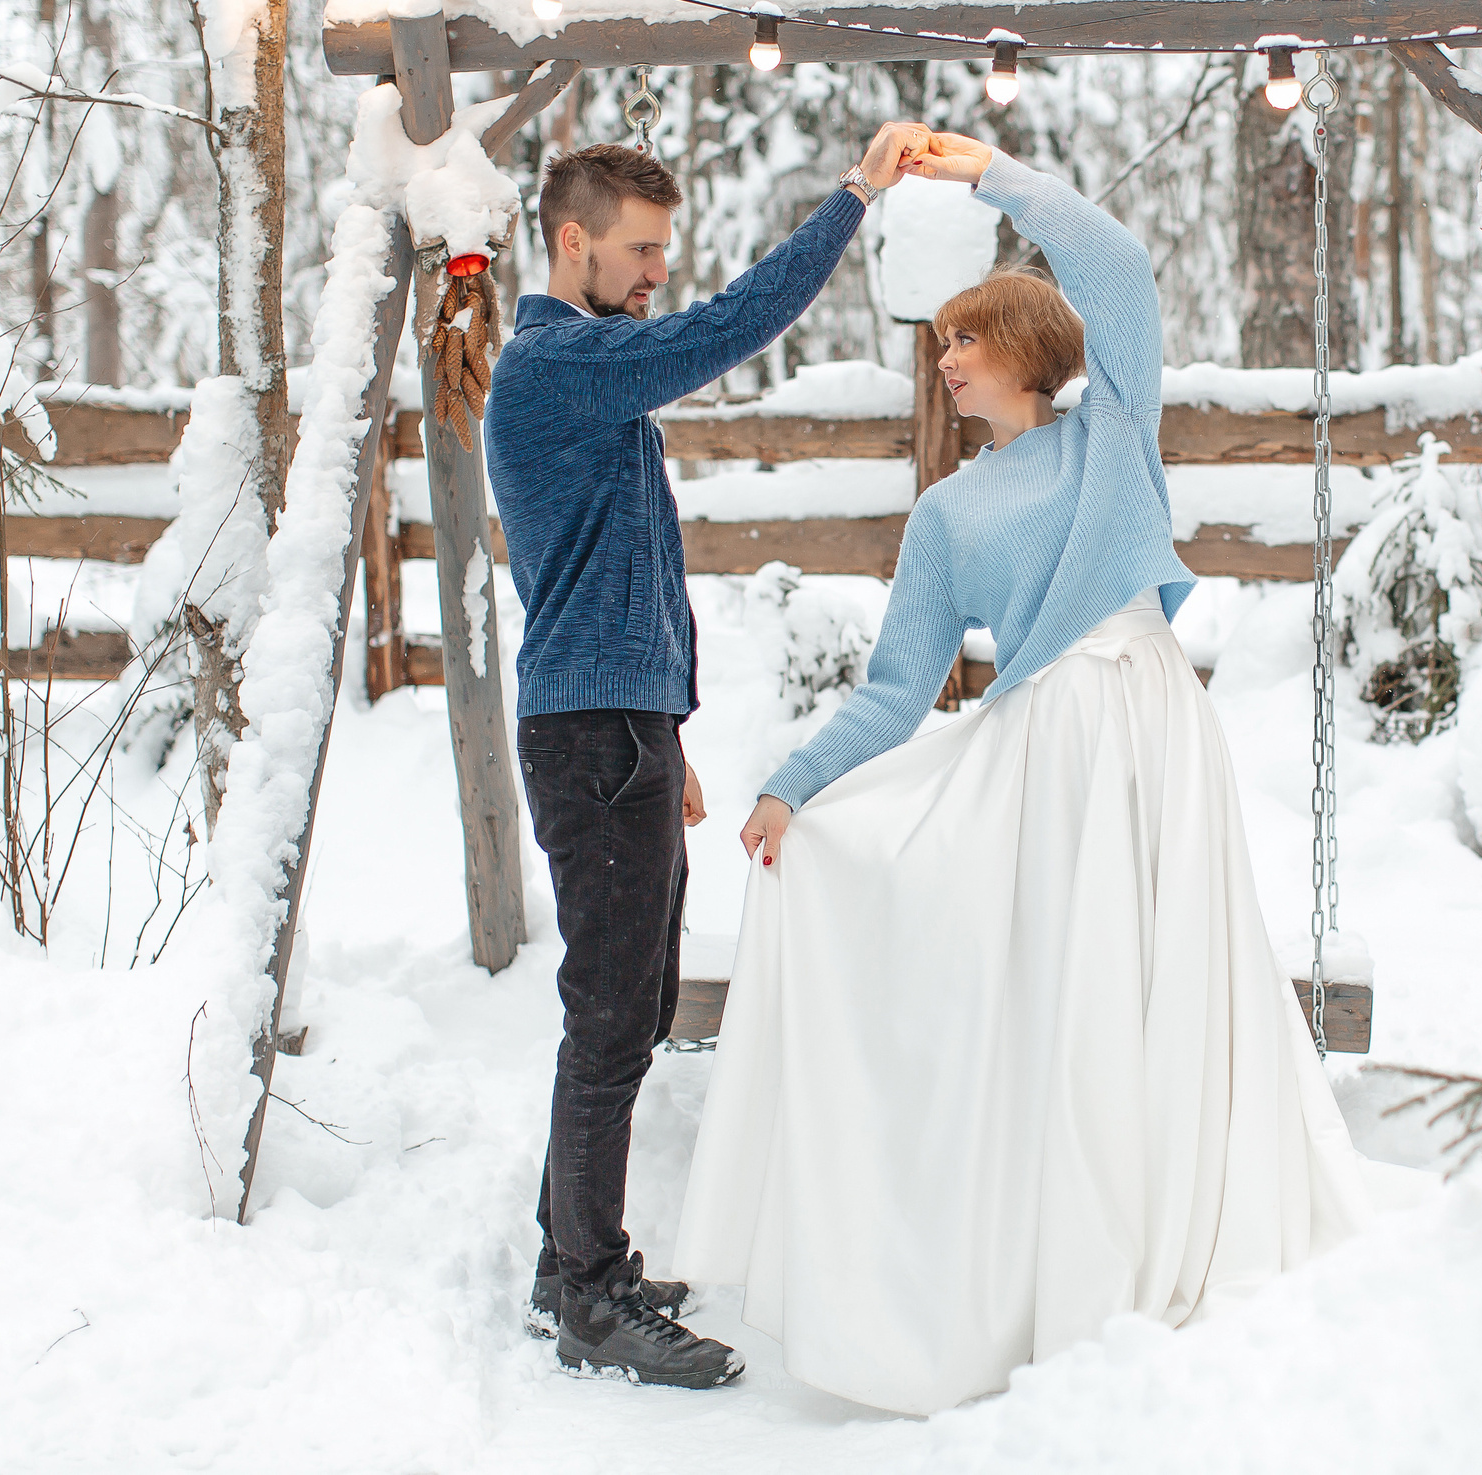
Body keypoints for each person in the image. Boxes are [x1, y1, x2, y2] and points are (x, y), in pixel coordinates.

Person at [674, 132, 1370, 1416]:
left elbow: (1118, 266)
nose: (947, 358)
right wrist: (792, 788)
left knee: (1157, 973)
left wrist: (986, 172)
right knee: (1059, 994)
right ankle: (1041, 1257)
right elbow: (897, 688)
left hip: (1148, 729)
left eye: (969, 336)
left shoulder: (1117, 431)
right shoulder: (945, 512)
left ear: (1031, 349)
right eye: (943, 340)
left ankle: (1163, 1229)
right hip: (1038, 757)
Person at [484, 123, 927, 1389]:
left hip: (618, 728)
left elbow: (626, 568)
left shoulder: (587, 373)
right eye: (637, 251)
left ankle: (569, 1263)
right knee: (612, 1014)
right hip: (589, 735)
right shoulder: (557, 364)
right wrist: (854, 196)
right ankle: (589, 1293)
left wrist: (666, 729)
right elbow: (732, 326)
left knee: (626, 1005)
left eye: (662, 252)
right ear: (571, 240)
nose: (655, 273)